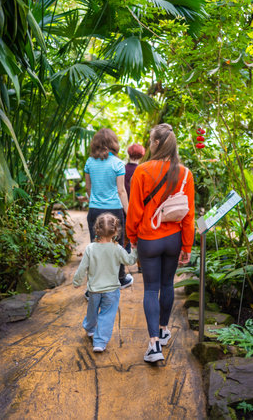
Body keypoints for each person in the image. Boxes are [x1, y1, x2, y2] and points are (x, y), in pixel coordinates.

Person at [126, 123, 195, 363]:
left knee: (151, 289)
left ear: (156, 144)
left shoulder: (142, 171)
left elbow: (134, 210)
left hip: (149, 238)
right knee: (167, 285)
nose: (148, 144)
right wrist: (187, 246)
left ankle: (154, 346)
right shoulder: (185, 174)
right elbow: (189, 214)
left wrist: (132, 238)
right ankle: (164, 330)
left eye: (150, 140)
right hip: (174, 238)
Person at [73, 213, 138, 352]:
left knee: (92, 311)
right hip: (112, 290)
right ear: (116, 231)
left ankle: (90, 328)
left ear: (96, 229)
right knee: (107, 315)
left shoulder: (90, 248)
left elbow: (82, 267)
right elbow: (130, 261)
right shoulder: (117, 248)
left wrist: (77, 281)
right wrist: (135, 249)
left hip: (94, 290)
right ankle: (99, 342)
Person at [84, 128, 133, 299]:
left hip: (95, 210)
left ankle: (93, 288)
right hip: (114, 210)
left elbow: (88, 188)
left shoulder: (89, 162)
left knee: (95, 247)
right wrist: (128, 211)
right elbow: (121, 191)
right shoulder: (118, 164)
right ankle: (120, 279)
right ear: (113, 143)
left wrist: (94, 201)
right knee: (116, 246)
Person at [124, 143, 145, 273]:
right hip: (138, 208)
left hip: (123, 206)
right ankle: (140, 265)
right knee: (138, 237)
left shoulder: (123, 169)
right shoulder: (142, 170)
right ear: (142, 155)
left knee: (123, 238)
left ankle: (120, 266)